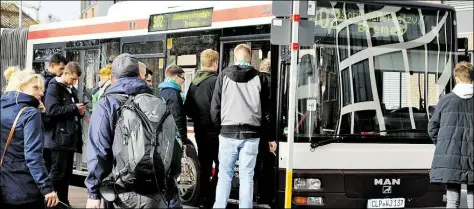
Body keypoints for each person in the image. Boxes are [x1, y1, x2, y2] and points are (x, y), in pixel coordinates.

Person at [85, 53, 173, 209]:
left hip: (122, 191)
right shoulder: (157, 102)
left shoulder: (107, 103)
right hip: (157, 191)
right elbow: (172, 145)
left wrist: (93, 192)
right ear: (140, 76)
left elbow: (99, 149)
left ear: (112, 79)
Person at [211, 44, 277, 208]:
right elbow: (266, 111)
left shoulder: (223, 76)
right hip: (251, 135)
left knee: (224, 175)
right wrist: (267, 135)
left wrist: (219, 128)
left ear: (235, 59)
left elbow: (215, 107)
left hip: (227, 133)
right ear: (250, 58)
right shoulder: (260, 78)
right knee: (247, 176)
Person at [1, 69, 59, 209]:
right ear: (21, 88)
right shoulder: (30, 113)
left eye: (42, 88)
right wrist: (47, 188)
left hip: (4, 184)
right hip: (24, 188)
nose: (41, 92)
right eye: (36, 87)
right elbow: (33, 157)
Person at [428, 61, 473, 209]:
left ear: (457, 79)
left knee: (452, 200)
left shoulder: (446, 100)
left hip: (450, 155)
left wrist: (444, 145)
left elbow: (432, 127)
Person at [44, 61, 85, 206]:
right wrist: (74, 107)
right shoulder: (54, 87)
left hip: (69, 139)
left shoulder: (70, 89)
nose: (74, 82)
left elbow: (73, 110)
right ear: (65, 73)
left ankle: (63, 202)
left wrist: (79, 112)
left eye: (76, 80)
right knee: (57, 174)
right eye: (73, 79)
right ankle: (51, 203)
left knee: (66, 175)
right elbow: (52, 110)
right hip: (58, 139)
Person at [184, 49, 220, 209]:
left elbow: (188, 109)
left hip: (200, 130)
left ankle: (202, 197)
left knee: (204, 165)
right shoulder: (216, 81)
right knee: (221, 166)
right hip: (215, 131)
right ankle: (212, 197)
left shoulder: (194, 83)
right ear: (215, 63)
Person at [41, 53, 68, 172]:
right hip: (47, 127)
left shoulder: (50, 80)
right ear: (52, 65)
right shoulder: (48, 82)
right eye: (61, 68)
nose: (62, 72)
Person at [255, 58, 275, 207]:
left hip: (255, 128)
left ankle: (256, 194)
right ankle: (266, 195)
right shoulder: (274, 82)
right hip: (269, 129)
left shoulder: (254, 80)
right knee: (267, 164)